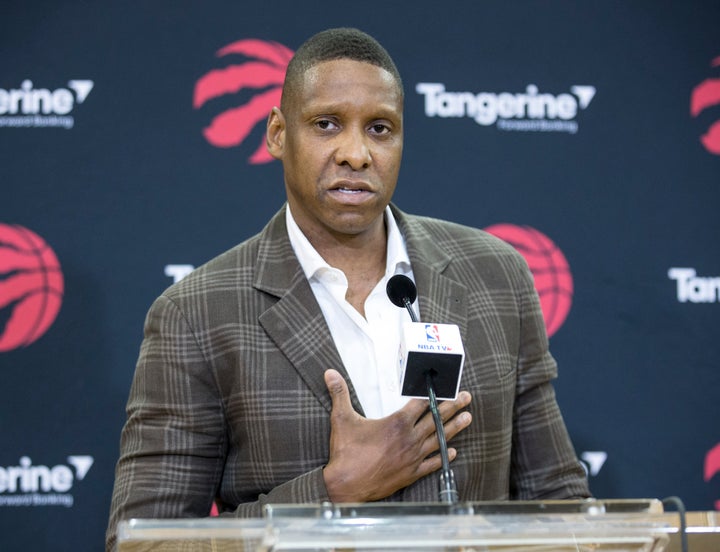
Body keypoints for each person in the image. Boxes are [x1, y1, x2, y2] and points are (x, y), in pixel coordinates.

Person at [106, 27, 590, 550]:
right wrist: (331, 491)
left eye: (380, 128)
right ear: (277, 133)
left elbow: (558, 500)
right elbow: (143, 543)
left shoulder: (496, 275)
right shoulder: (195, 313)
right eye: (326, 124)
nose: (356, 153)